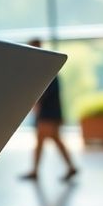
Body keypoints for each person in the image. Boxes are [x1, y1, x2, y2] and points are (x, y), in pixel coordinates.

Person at [20, 38, 79, 182]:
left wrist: (36, 105)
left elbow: (43, 92)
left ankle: (37, 170)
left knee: (46, 140)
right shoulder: (46, 67)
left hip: (48, 113)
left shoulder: (47, 68)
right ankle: (67, 167)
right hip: (49, 113)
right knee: (49, 140)